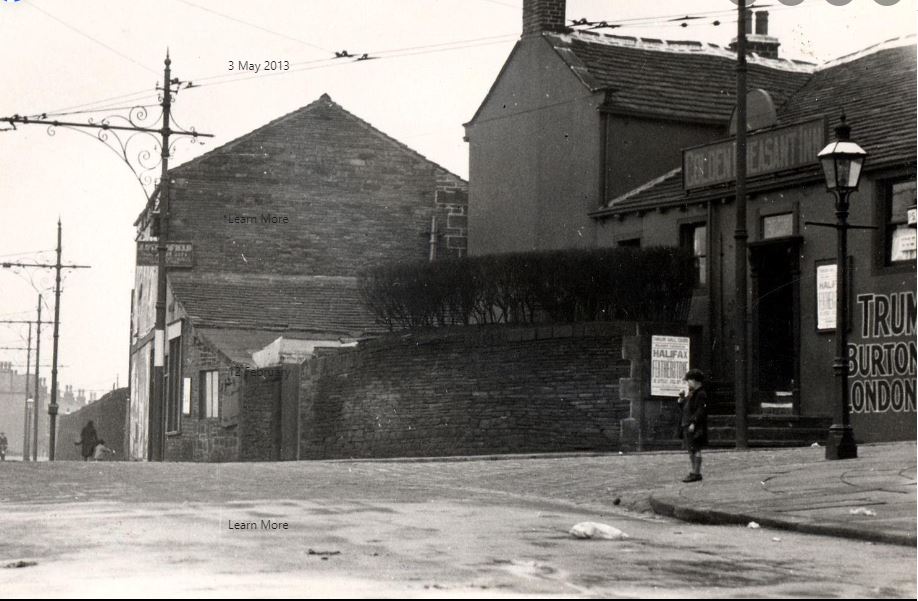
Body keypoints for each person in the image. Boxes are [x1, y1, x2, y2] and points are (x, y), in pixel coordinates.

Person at [677, 368, 708, 483]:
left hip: (694, 425)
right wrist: (681, 400)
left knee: (696, 448)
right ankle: (694, 471)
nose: (688, 383)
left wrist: (694, 422)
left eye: (689, 380)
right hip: (686, 423)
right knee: (691, 449)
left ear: (695, 381)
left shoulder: (701, 394)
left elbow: (700, 410)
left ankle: (696, 472)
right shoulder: (692, 393)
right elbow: (686, 408)